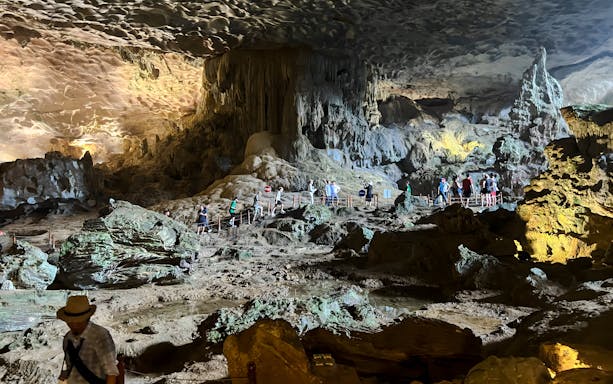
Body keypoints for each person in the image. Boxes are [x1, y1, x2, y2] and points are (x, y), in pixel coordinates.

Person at [57, 295, 119, 384]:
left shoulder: (100, 336)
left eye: (78, 321)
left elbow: (111, 373)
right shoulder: (68, 338)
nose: (74, 325)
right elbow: (71, 367)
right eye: (70, 321)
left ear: (87, 318)